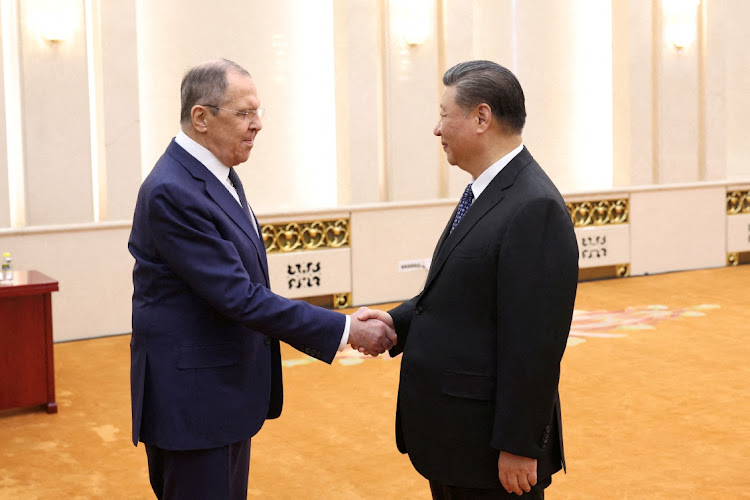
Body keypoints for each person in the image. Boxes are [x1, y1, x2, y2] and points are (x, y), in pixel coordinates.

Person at [128, 58, 395, 499]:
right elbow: (240, 297)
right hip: (193, 403)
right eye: (245, 113)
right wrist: (346, 329)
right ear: (201, 117)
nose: (257, 125)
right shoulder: (172, 190)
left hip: (221, 394)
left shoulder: (218, 174)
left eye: (259, 112)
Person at [356, 60, 579, 498]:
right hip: (459, 439)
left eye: (443, 114)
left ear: (481, 117)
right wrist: (395, 322)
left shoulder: (534, 207)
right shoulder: (487, 189)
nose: (436, 129)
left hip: (492, 452)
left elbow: (536, 344)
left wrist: (519, 445)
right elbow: (460, 295)